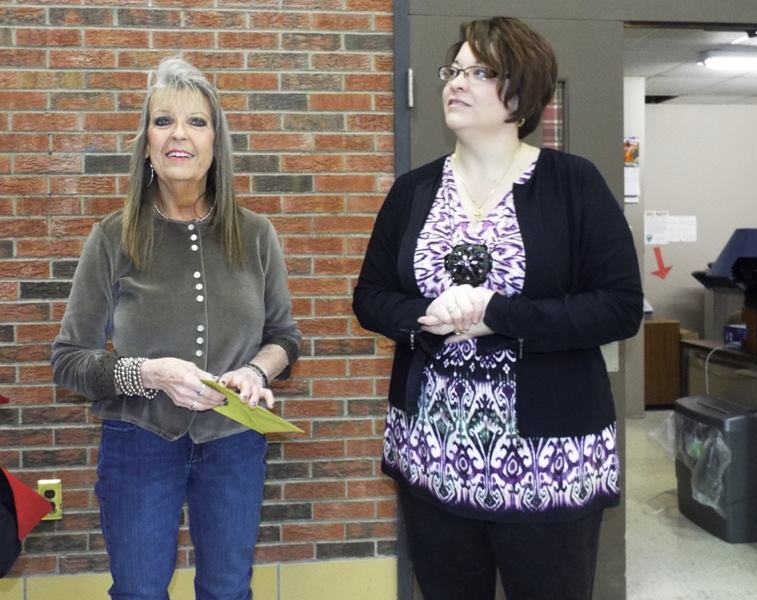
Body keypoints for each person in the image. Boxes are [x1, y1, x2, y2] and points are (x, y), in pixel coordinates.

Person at [352, 17, 642, 600]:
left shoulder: (573, 184)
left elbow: (618, 307)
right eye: (453, 70)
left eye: (479, 72)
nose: (456, 83)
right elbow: (371, 297)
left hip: (549, 465)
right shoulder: (413, 191)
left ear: (521, 90)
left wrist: (497, 315)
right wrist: (426, 317)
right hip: (435, 455)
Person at [51, 57, 301, 599]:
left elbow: (285, 337)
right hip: (138, 442)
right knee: (139, 592)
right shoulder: (112, 237)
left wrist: (257, 372)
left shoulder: (256, 234)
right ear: (146, 145)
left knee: (228, 590)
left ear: (216, 142)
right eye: (163, 121)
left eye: (196, 121)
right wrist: (149, 373)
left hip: (234, 443)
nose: (179, 134)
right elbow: (69, 360)